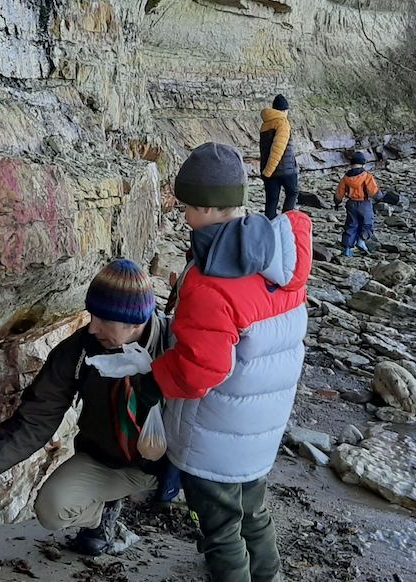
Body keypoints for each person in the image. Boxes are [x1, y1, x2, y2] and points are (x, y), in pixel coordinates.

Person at [0, 259, 170, 556]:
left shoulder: (177, 346)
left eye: (103, 319)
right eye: (92, 315)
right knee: (52, 509)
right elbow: (34, 422)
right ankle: (102, 517)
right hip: (105, 461)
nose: (92, 328)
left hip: (168, 465)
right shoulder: (78, 352)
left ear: (135, 322)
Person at [153, 142, 313, 582]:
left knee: (221, 532)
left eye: (187, 206)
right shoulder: (281, 262)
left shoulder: (211, 284)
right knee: (253, 513)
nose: (184, 215)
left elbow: (201, 372)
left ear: (206, 208)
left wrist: (152, 376)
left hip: (216, 435)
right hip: (260, 428)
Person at [259, 94, 298, 219]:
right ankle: (286, 222)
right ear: (284, 110)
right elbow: (278, 149)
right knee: (292, 193)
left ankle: (269, 230)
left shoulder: (265, 124)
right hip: (285, 170)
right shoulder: (282, 123)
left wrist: (266, 172)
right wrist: (269, 171)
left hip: (268, 169)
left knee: (271, 200)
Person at [333, 151, 378, 257]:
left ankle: (348, 249)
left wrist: (337, 202)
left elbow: (339, 193)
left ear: (352, 163)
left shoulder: (345, 178)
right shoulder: (367, 176)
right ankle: (361, 241)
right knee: (367, 224)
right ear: (363, 163)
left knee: (351, 225)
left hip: (351, 204)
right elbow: (373, 191)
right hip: (364, 203)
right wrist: (380, 198)